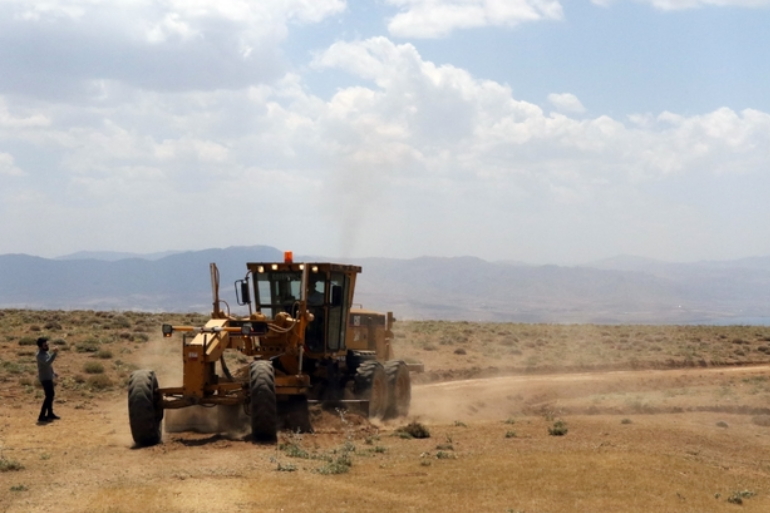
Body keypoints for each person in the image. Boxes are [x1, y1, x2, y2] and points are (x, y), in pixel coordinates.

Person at [36, 337, 60, 423]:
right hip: (44, 378)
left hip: (48, 377)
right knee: (49, 396)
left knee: (51, 396)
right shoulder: (39, 355)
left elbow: (48, 365)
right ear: (40, 346)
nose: (47, 346)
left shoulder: (45, 353)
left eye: (47, 344)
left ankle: (50, 414)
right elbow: (47, 362)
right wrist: (55, 353)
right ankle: (41, 416)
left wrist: (53, 373)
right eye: (45, 345)